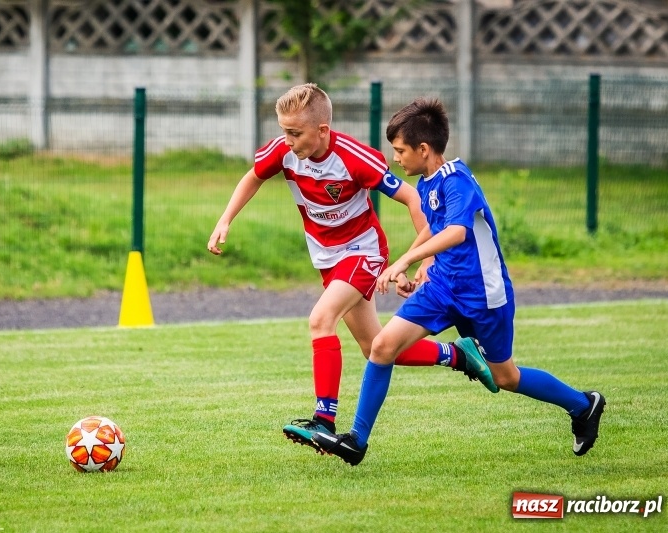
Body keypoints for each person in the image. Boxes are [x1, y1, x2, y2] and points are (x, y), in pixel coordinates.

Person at [312, 97, 606, 465]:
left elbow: (456, 232)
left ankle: (583, 405)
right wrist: (414, 265)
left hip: (482, 293)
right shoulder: (426, 182)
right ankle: (357, 440)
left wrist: (405, 258)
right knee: (383, 346)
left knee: (506, 378)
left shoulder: (457, 180)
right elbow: (434, 231)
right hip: (442, 287)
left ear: (424, 149)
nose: (396, 158)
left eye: (401, 151)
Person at [207, 84, 497, 454]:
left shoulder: (354, 157)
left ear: (322, 130)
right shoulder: (284, 151)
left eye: (295, 133)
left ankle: (323, 420)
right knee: (375, 347)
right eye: (284, 131)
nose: (287, 140)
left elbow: (411, 197)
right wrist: (225, 219)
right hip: (327, 258)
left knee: (320, 319)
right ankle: (459, 355)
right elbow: (254, 176)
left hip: (363, 252)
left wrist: (425, 257)